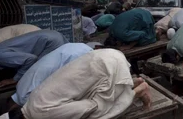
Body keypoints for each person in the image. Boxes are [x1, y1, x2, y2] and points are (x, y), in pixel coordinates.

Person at [20, 49, 151, 119]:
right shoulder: (31, 101)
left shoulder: (41, 114)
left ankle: (138, 90)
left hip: (109, 67)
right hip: (107, 55)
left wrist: (105, 101)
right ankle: (130, 83)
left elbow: (87, 108)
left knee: (99, 113)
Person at [0, 44, 93, 118]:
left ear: (10, 110)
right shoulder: (20, 87)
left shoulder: (27, 99)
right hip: (73, 49)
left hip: (75, 57)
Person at [0, 30, 67, 87]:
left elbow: (30, 59)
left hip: (50, 42)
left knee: (38, 77)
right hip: (53, 35)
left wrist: (14, 80)